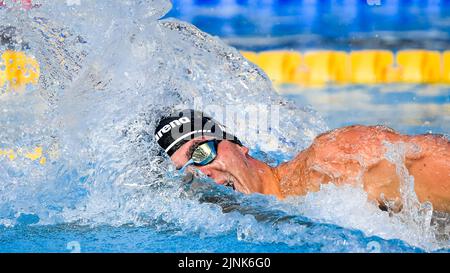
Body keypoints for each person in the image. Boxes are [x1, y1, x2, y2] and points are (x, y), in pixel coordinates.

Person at [154, 109, 450, 213]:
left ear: (238, 147)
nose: (203, 174)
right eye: (187, 173)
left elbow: (429, 159)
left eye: (201, 153)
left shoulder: (331, 162)